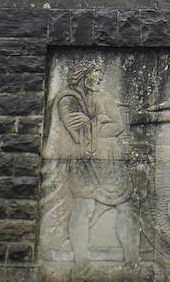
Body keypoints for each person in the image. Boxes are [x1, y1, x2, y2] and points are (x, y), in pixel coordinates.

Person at [56, 63, 139, 270]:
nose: (99, 78)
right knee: (83, 207)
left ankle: (132, 263)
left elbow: (118, 125)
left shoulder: (105, 97)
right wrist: (99, 121)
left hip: (110, 161)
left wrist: (96, 126)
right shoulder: (69, 99)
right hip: (83, 163)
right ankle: (81, 265)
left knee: (127, 207)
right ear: (84, 74)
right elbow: (76, 130)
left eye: (100, 74)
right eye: (95, 72)